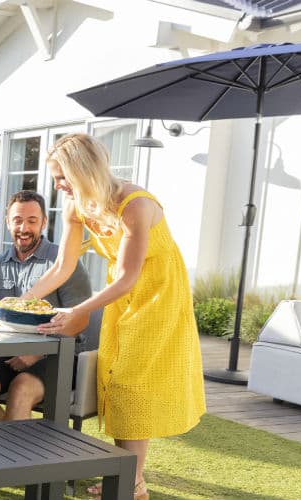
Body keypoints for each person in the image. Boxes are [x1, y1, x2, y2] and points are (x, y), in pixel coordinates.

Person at [27, 133, 205, 500]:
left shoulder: (135, 205)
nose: (58, 186)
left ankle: (133, 481)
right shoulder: (79, 206)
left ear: (82, 172)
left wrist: (78, 310)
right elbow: (63, 266)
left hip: (158, 295)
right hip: (122, 296)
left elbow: (128, 277)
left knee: (132, 384)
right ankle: (129, 475)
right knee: (115, 381)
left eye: (62, 178)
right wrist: (21, 300)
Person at [0, 190, 92, 423]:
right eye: (17, 220)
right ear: (7, 221)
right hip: (9, 353)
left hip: (59, 356)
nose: (24, 228)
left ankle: (16, 454)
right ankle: (13, 449)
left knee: (21, 390)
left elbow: (81, 320)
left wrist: (37, 352)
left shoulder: (63, 261)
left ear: (44, 223)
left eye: (32, 221)